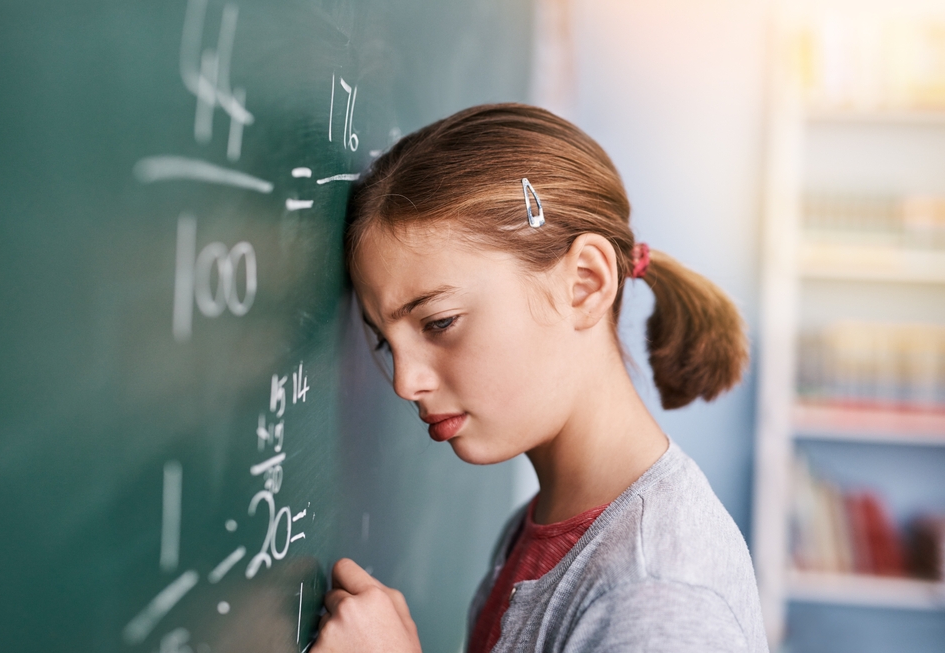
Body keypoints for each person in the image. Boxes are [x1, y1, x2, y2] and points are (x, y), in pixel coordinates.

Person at [313, 104, 768, 653]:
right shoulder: (550, 526)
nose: (405, 382)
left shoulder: (656, 598)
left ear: (584, 283)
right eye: (387, 343)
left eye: (439, 323)